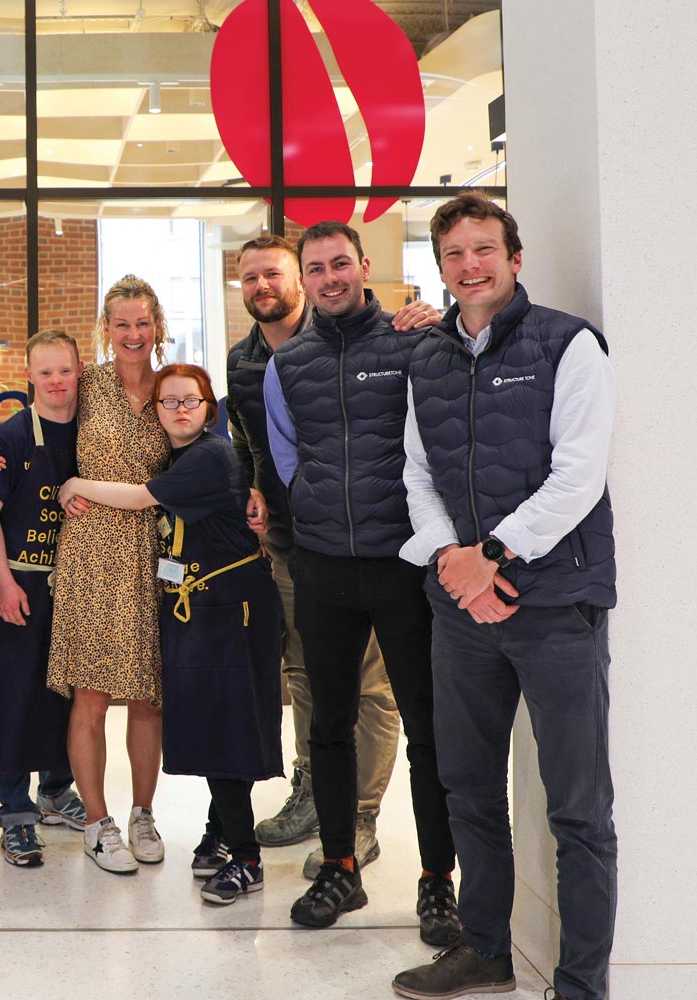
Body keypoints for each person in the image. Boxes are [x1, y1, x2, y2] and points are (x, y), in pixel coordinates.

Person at [391, 192, 616, 1000]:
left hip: (556, 607)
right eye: (454, 254)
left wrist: (490, 556)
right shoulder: (428, 358)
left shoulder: (570, 345)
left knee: (578, 810)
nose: (470, 265)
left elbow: (578, 476)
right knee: (469, 788)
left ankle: (582, 983)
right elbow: (418, 473)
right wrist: (455, 562)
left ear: (514, 258)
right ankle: (484, 950)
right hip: (464, 612)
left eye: (485, 248)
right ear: (442, 268)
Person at [264, 222, 460, 946]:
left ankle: (438, 883)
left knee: (427, 730)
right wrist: (316, 507)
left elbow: (441, 438)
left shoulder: (413, 343)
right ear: (304, 281)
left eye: (339, 263)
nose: (329, 277)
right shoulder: (290, 363)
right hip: (321, 565)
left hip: (402, 566)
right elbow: (286, 455)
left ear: (364, 266)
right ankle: (341, 867)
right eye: (315, 268)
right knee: (328, 725)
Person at [58, 363, 283, 906]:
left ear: (210, 408)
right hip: (202, 605)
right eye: (169, 402)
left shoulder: (208, 456)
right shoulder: (182, 454)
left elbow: (139, 499)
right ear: (155, 412)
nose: (180, 410)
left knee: (227, 732)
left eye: (191, 401)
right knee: (213, 727)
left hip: (234, 608)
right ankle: (218, 836)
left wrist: (74, 484)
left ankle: (247, 859)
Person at [225, 235, 404, 866]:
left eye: (272, 275)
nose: (261, 287)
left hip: (369, 541)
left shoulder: (351, 340)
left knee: (372, 683)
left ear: (296, 281)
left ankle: (360, 813)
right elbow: (252, 442)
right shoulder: (243, 360)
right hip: (289, 542)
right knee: (305, 673)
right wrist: (251, 487)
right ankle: (315, 790)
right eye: (249, 279)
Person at [45, 275, 172, 874]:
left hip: (153, 552)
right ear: (106, 328)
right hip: (92, 552)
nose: (132, 334)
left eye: (142, 323)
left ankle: (143, 812)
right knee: (90, 695)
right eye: (121, 324)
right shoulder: (87, 383)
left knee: (148, 697)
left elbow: (200, 459)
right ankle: (97, 823)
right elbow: (38, 418)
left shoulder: (175, 387)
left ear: (157, 326)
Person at [0, 330, 91, 867]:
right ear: (30, 377)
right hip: (19, 585)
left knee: (65, 695)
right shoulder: (14, 435)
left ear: (79, 369)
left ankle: (55, 791)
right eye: (45, 373)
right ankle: (16, 814)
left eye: (64, 370)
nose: (57, 381)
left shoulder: (95, 432)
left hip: (78, 586)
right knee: (13, 697)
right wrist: (3, 583)